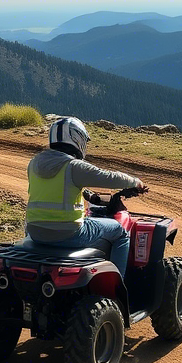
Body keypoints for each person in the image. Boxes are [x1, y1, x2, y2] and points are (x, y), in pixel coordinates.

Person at [26, 116, 146, 279]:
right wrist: (135, 182)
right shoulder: (73, 166)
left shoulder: (33, 164)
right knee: (120, 232)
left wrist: (86, 193)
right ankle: (118, 284)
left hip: (34, 232)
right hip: (67, 234)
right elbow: (108, 177)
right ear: (77, 138)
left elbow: (55, 188)